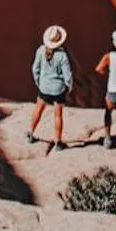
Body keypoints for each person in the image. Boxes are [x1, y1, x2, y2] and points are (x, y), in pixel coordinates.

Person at [28, 24, 72, 152]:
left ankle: (30, 133)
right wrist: (68, 87)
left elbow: (34, 68)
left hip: (44, 87)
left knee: (38, 109)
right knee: (58, 115)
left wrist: (38, 82)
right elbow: (67, 75)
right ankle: (58, 142)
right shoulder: (62, 55)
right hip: (58, 89)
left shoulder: (40, 50)